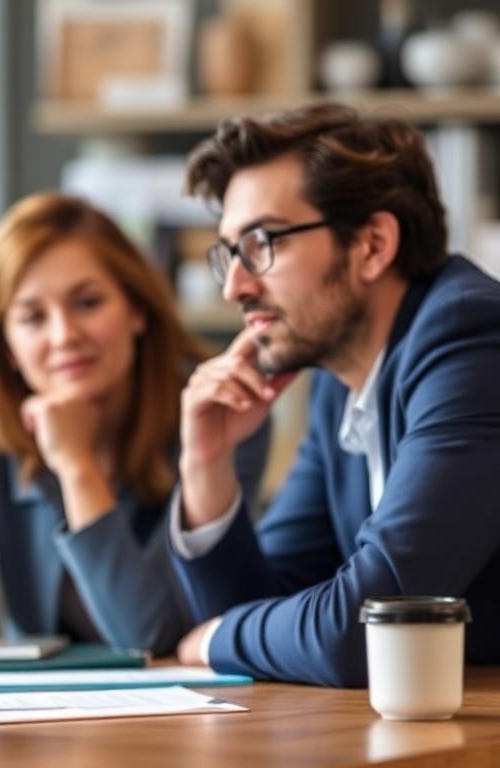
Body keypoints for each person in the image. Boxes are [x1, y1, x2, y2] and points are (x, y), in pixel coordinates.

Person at [170, 103, 500, 686]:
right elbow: (261, 605)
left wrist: (217, 639)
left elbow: (371, 629)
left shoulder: (471, 341)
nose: (234, 287)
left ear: (372, 245)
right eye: (230, 253)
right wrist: (206, 462)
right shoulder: (338, 383)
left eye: (262, 242)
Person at [0, 193, 270, 654]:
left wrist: (76, 466)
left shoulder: (216, 415)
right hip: (41, 698)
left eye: (87, 303)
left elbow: (153, 637)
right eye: (32, 318)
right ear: (8, 348)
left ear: (136, 311)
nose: (64, 335)